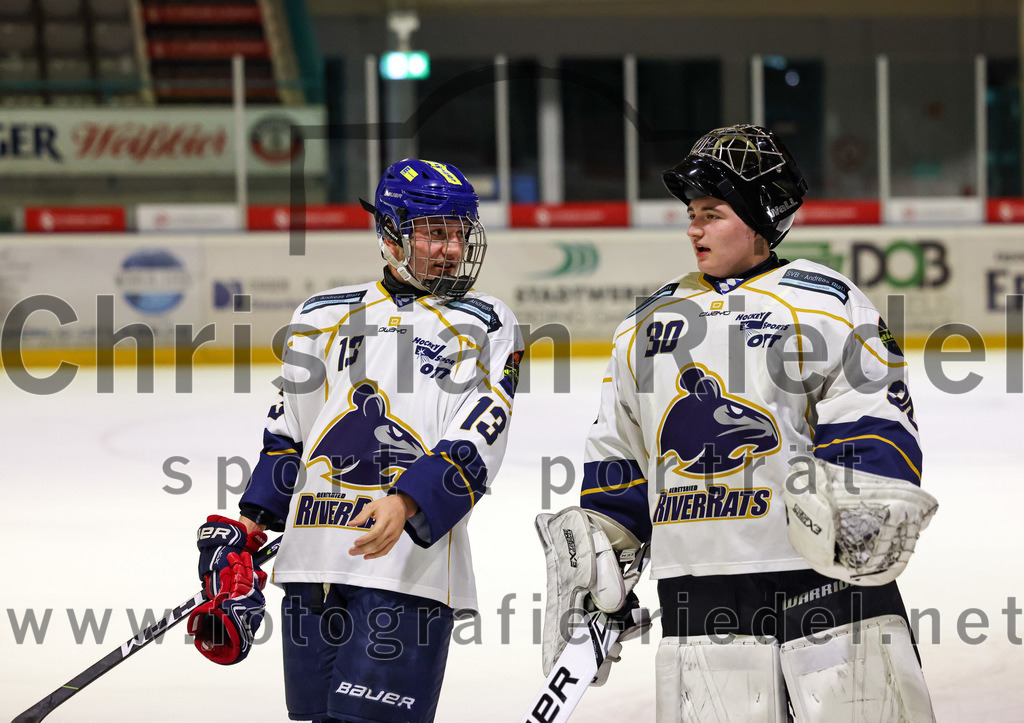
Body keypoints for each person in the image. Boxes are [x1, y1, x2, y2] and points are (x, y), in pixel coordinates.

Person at [537, 125, 939, 721]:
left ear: (762, 217)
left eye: (713, 213)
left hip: (825, 585)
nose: (694, 228)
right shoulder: (646, 324)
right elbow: (620, 453)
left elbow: (873, 416)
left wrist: (861, 501)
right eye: (692, 213)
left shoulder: (825, 302)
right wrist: (600, 558)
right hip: (698, 591)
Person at [187, 158, 525, 723]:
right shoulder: (320, 314)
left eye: (460, 231)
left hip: (405, 566)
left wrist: (407, 499)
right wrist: (254, 521)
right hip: (311, 564)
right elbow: (287, 433)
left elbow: (481, 432)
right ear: (390, 234)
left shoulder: (486, 320)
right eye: (433, 231)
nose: (451, 247)